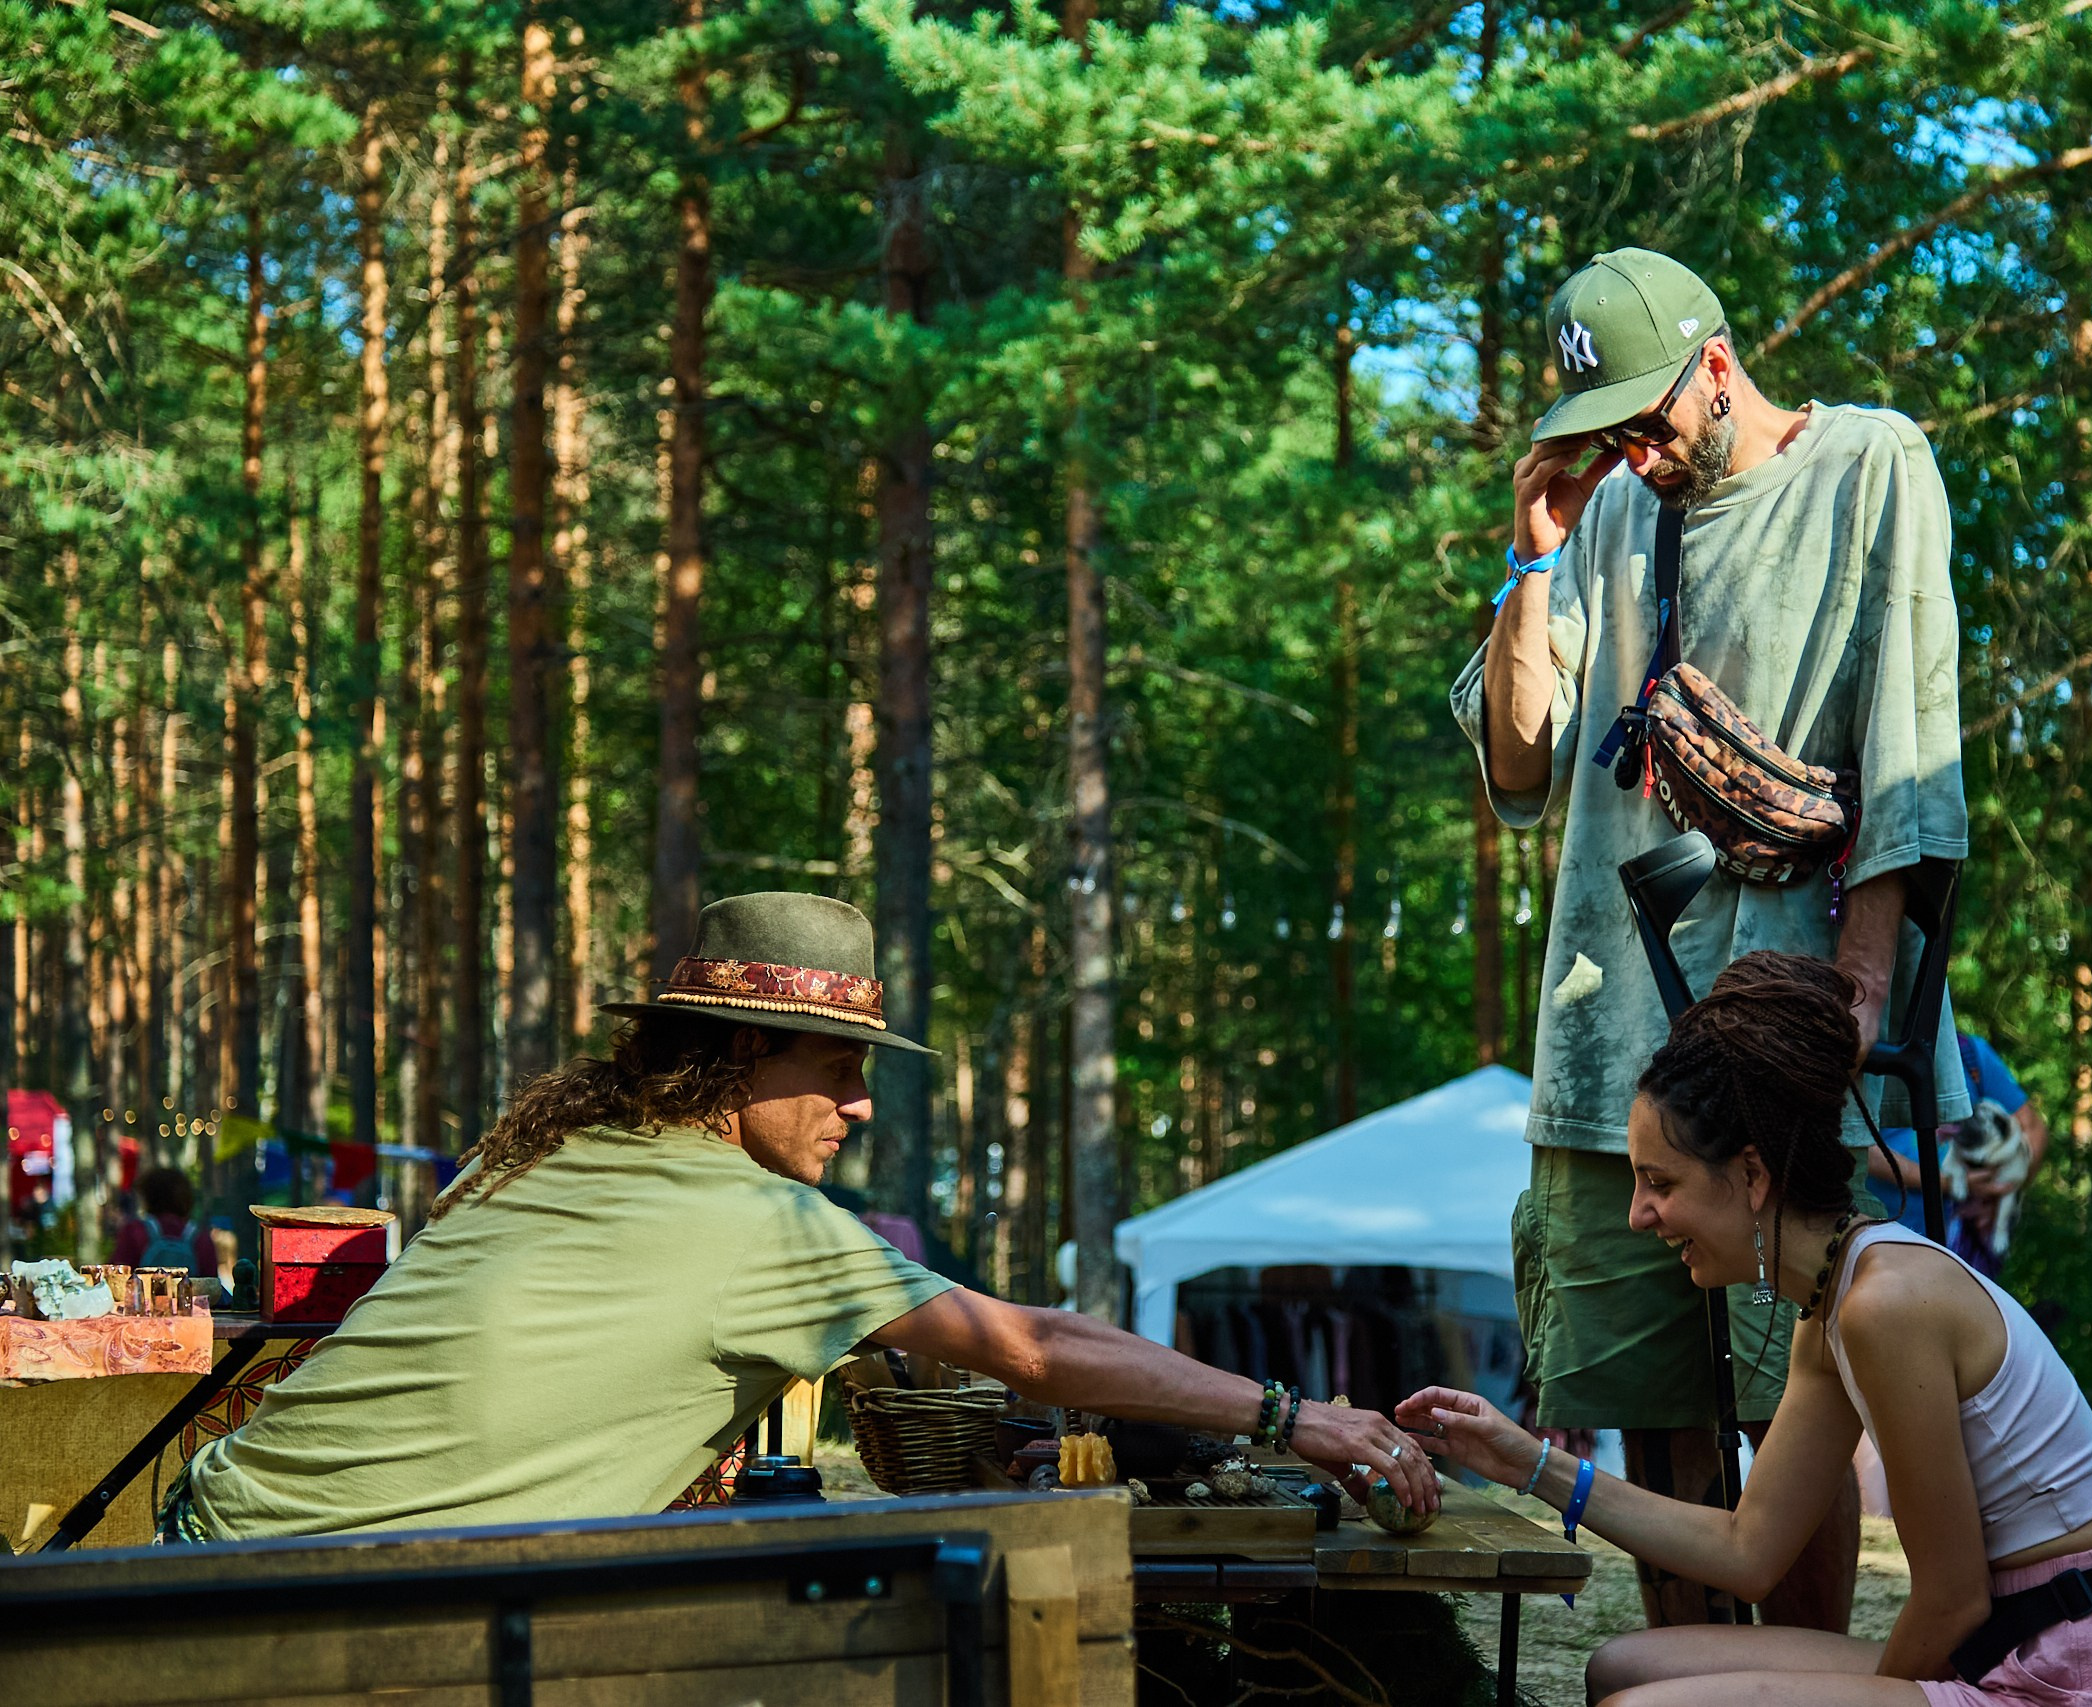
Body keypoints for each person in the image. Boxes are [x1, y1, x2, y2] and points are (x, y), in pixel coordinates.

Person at [162, 892, 1431, 1541]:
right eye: (837, 1069)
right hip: (332, 1597)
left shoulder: (537, 1152)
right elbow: (1038, 1348)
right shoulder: (759, 1221)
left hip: (206, 1532)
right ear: (740, 1060)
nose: (861, 1106)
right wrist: (1295, 1414)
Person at [1451, 247, 1968, 1630]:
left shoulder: (1868, 464)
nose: (1632, 444)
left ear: (1717, 361)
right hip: (1603, 1044)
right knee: (1652, 1406)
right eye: (1606, 425)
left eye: (1646, 411)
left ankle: (1795, 1677)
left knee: (1792, 1400)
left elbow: (1911, 740)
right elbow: (1515, 766)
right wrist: (1535, 558)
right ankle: (1694, 1672)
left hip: (1781, 1025)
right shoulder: (1608, 511)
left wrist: (1863, 982)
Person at [1401, 954, 2092, 1706]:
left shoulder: (1884, 1304)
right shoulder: (1830, 1308)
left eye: (1660, 1182)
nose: (1639, 1214)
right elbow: (1749, 1550)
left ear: (1751, 1176)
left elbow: (1952, 1599)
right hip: (2013, 1635)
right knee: (1621, 1667)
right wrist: (1528, 1461)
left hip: (2090, 1662)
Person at [1869, 1033, 2049, 1276]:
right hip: (1883, 1251)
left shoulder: (1969, 1052)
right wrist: (1947, 1183)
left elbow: (2034, 1129)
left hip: (1965, 1261)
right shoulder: (1863, 1049)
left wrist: (1999, 1195)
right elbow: (1854, 1145)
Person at [112, 1164, 220, 1276]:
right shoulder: (199, 1238)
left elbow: (117, 1277)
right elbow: (211, 1284)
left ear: (149, 1196)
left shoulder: (135, 1232)